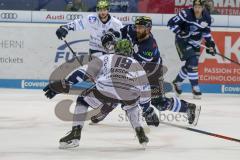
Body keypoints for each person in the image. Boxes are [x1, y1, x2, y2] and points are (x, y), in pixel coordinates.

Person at [43, 39, 159, 149]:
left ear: (116, 49)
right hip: (128, 92)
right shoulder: (137, 64)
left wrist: (66, 82)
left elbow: (82, 72)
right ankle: (140, 133)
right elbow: (145, 89)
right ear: (130, 52)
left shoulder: (107, 57)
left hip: (105, 88)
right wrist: (146, 109)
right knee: (132, 106)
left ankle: (75, 133)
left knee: (82, 100)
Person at [93, 16, 201, 126]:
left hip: (152, 73)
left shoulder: (150, 46)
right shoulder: (132, 29)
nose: (138, 30)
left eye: (141, 28)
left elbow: (131, 61)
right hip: (136, 70)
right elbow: (118, 33)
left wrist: (117, 47)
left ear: (148, 29)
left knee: (160, 103)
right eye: (137, 27)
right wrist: (109, 36)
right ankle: (104, 111)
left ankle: (189, 108)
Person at [167, 0, 217, 99]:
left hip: (196, 43)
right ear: (193, 6)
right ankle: (195, 87)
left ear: (203, 7)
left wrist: (210, 44)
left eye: (199, 7)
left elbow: (206, 32)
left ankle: (177, 82)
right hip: (182, 42)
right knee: (193, 61)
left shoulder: (207, 18)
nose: (197, 9)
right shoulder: (185, 14)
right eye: (195, 7)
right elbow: (170, 24)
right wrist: (180, 32)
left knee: (190, 65)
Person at [56, 0, 123, 59]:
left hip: (110, 51)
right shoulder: (92, 19)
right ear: (97, 10)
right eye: (100, 10)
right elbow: (79, 23)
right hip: (96, 49)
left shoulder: (116, 23)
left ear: (108, 10)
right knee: (96, 69)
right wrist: (65, 28)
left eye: (104, 10)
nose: (102, 12)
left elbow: (122, 38)